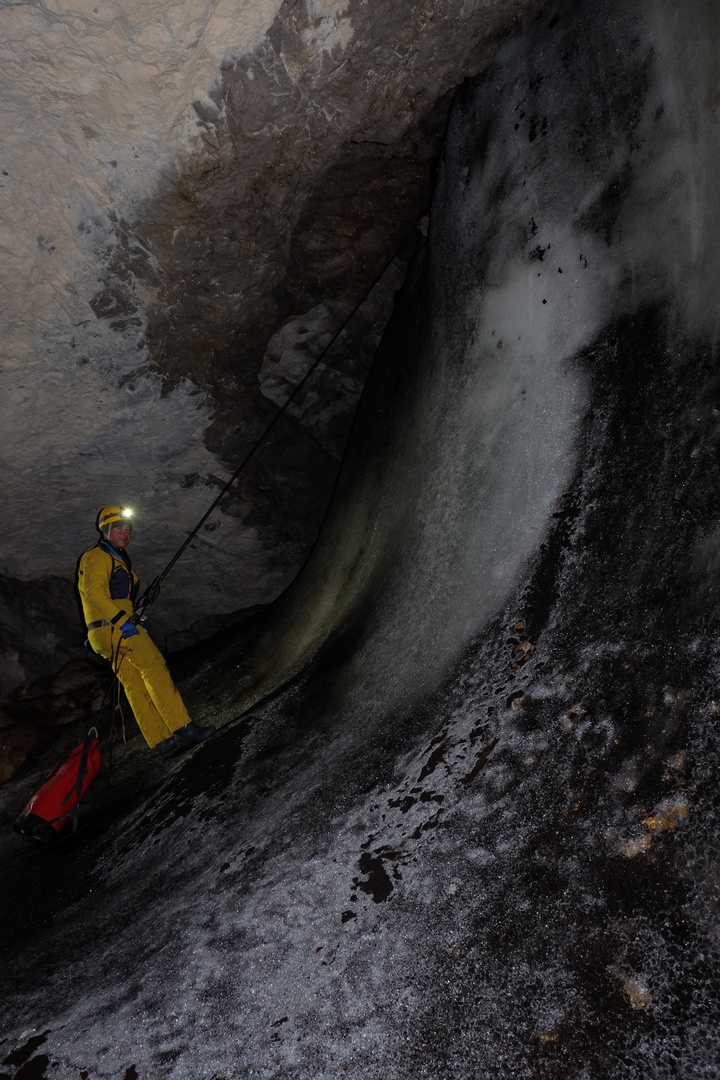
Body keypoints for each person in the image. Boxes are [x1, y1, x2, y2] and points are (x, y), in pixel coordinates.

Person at [78, 505, 215, 759]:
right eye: (119, 528)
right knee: (154, 668)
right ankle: (183, 728)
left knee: (133, 682)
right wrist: (123, 621)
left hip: (104, 632)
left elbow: (112, 597)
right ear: (106, 531)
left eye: (128, 529)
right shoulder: (96, 556)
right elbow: (95, 595)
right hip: (115, 630)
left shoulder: (116, 560)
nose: (125, 533)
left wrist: (135, 611)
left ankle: (162, 742)